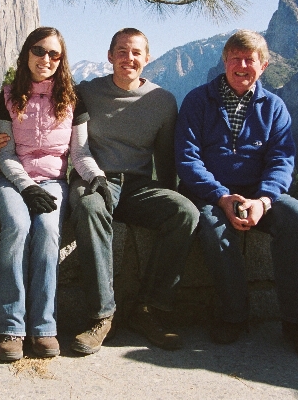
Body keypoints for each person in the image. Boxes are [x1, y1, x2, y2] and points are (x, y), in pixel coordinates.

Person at [174, 29, 298, 359]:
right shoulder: (198, 101)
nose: (242, 66)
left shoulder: (274, 106)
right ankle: (234, 316)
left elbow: (282, 158)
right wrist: (220, 195)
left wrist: (265, 199)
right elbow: (187, 157)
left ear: (264, 65)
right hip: (211, 194)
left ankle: (297, 322)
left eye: (250, 60)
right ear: (224, 62)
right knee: (214, 228)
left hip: (260, 194)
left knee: (296, 217)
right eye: (235, 59)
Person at [68, 28, 199, 353]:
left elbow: (165, 159)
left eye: (136, 52)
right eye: (122, 52)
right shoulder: (87, 91)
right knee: (88, 207)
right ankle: (102, 316)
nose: (129, 58)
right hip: (94, 180)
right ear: (110, 56)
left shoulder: (162, 101)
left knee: (185, 212)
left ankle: (149, 310)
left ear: (147, 58)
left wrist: (170, 198)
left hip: (138, 186)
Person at [0, 27, 109, 361]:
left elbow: (80, 153)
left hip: (53, 182)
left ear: (61, 59)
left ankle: (44, 328)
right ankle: (10, 327)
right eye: (39, 51)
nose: (46, 59)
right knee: (17, 226)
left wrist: (96, 178)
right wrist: (26, 187)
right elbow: (5, 154)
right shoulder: (8, 96)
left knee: (47, 231)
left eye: (54, 54)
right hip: (12, 181)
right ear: (27, 53)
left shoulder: (72, 99)